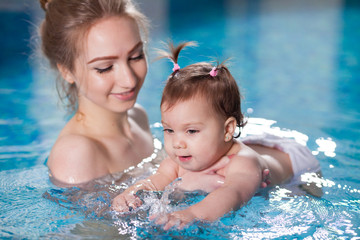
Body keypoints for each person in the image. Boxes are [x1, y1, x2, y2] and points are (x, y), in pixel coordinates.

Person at [39, 0, 271, 188]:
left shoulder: (136, 117)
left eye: (136, 56)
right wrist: (185, 187)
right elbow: (100, 232)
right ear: (67, 70)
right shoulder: (76, 154)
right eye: (105, 67)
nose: (129, 80)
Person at [112, 42, 322, 230]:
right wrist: (129, 194)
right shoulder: (180, 157)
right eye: (169, 130)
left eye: (191, 131)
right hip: (231, 145)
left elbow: (233, 193)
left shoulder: (243, 164)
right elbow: (154, 182)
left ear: (228, 129)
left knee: (306, 195)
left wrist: (192, 214)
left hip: (294, 164)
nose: (177, 143)